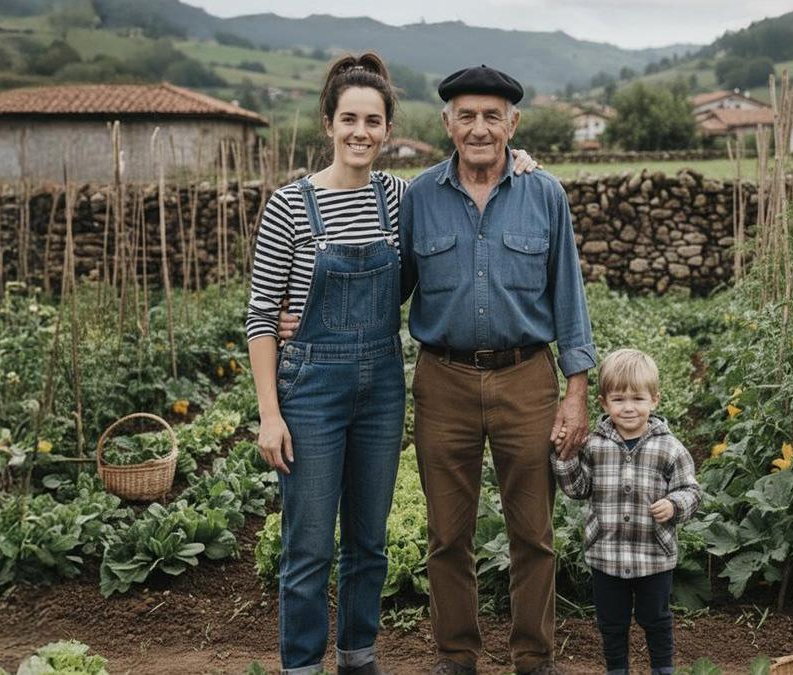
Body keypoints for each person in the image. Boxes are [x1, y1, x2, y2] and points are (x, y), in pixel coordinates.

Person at [246, 54, 537, 675]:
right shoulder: (289, 206)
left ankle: (359, 657)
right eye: (348, 118)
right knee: (307, 546)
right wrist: (269, 414)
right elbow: (260, 316)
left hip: (380, 385)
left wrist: (523, 163)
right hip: (310, 389)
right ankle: (301, 664)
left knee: (369, 542)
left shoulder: (401, 198)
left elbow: (465, 200)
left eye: (372, 121)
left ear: (387, 129)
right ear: (328, 123)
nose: (360, 132)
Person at [399, 64, 597, 675]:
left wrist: (575, 393)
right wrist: (305, 318)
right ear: (447, 124)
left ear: (513, 122)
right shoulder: (418, 197)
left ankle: (533, 659)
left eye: (492, 116)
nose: (479, 128)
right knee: (447, 535)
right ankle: (457, 656)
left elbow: (569, 297)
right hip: (444, 381)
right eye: (467, 116)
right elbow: (389, 291)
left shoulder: (545, 195)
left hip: (526, 379)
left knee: (533, 534)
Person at [551, 349, 701, 675]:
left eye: (637, 398)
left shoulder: (669, 448)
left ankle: (663, 668)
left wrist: (675, 505)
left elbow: (692, 491)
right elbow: (577, 490)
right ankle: (616, 670)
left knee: (656, 618)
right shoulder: (594, 445)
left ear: (654, 400)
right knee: (611, 623)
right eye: (619, 399)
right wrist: (565, 457)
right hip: (606, 555)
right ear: (604, 403)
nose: (629, 407)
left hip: (654, 557)